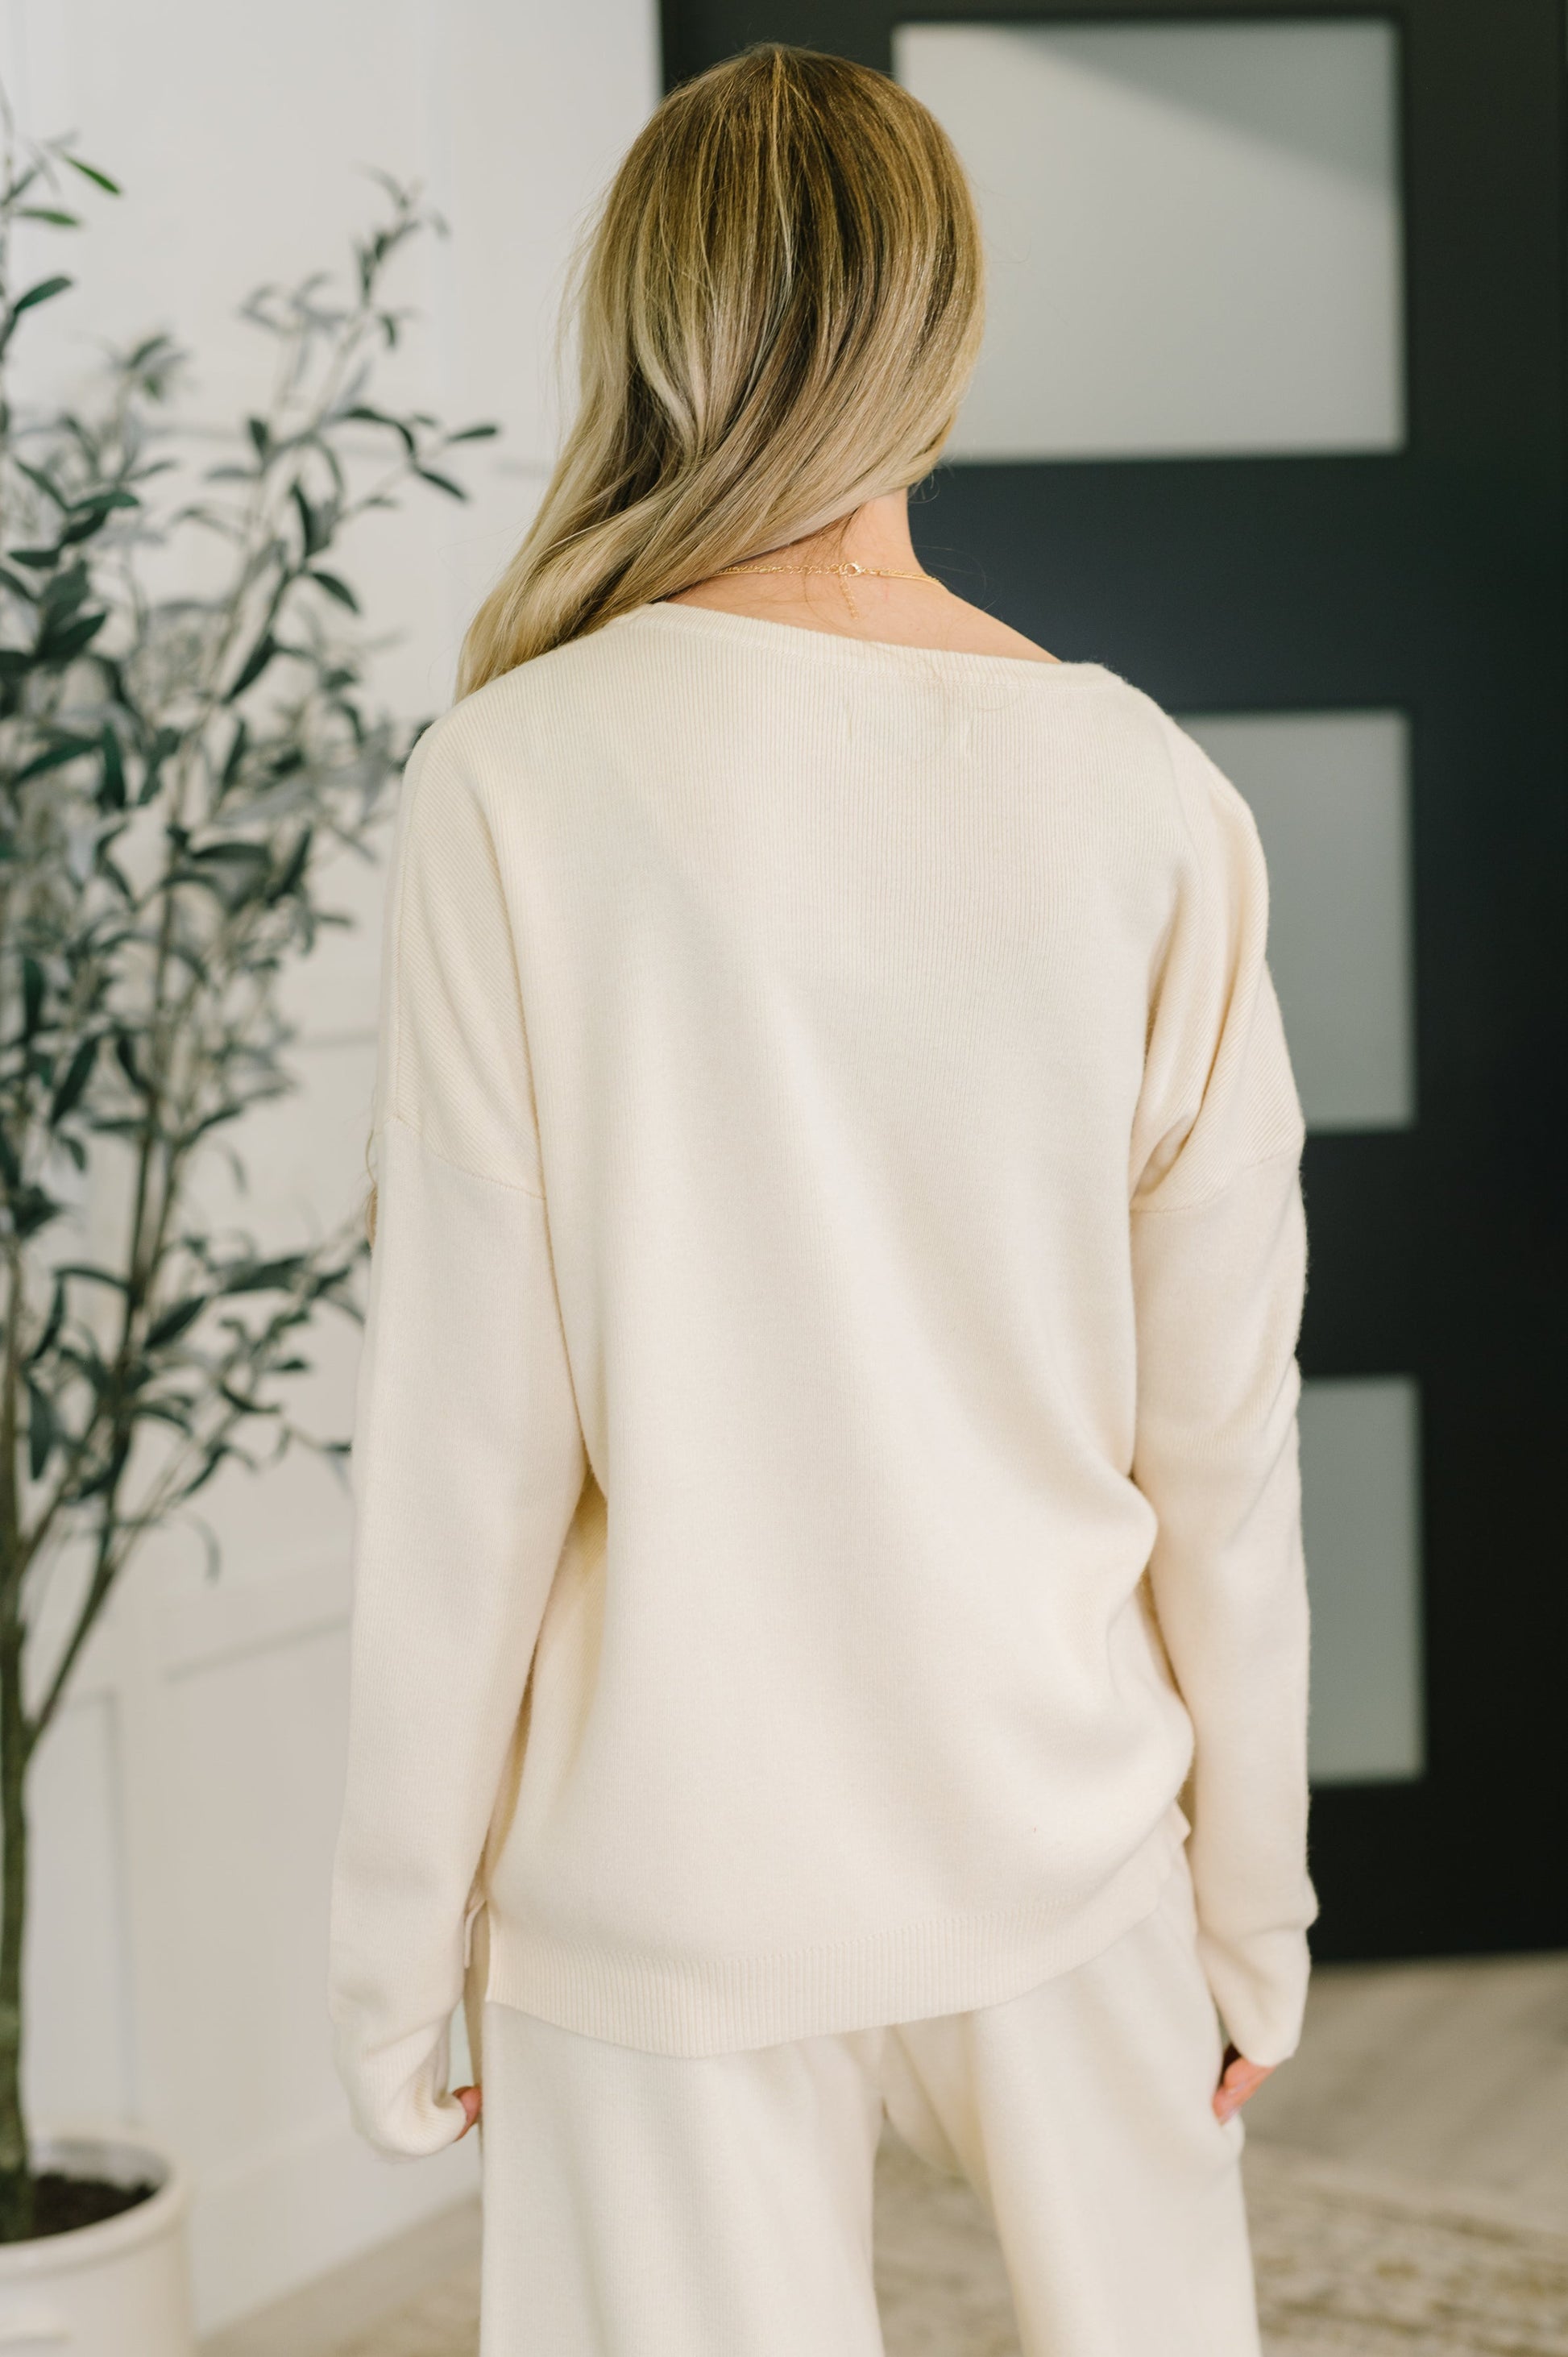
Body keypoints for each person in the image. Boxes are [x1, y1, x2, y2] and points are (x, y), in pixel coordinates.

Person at [327, 40, 1317, 2357]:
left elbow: (471, 1454)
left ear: (647, 332)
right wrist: (1245, 1909)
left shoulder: (513, 779)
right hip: (1064, 1841)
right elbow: (1222, 1456)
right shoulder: (1146, 792)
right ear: (944, 333)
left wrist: (397, 1955)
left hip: (661, 1875)